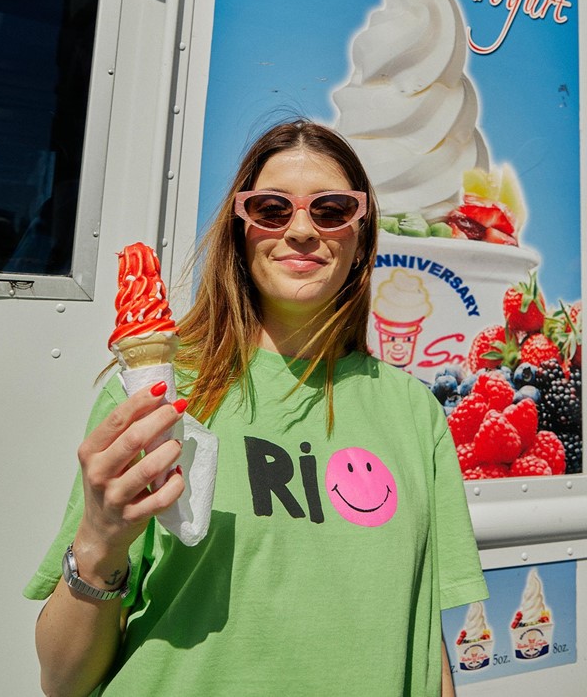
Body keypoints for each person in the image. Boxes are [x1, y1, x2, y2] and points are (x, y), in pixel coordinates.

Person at [26, 119, 488, 696]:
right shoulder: (153, 398)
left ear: (361, 233)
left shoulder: (414, 412)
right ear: (239, 230)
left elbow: (424, 645)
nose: (301, 230)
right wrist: (100, 539)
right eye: (271, 209)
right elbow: (62, 680)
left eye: (331, 209)